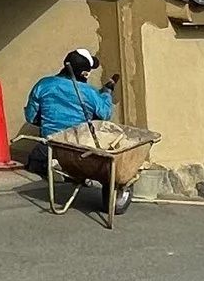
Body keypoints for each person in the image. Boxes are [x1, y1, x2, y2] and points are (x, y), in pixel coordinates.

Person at [22, 48, 130, 212]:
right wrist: (107, 93)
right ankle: (75, 174)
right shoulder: (89, 93)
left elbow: (30, 117)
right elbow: (105, 114)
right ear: (85, 74)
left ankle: (53, 167)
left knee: (34, 160)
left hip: (50, 145)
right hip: (78, 149)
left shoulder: (43, 84)